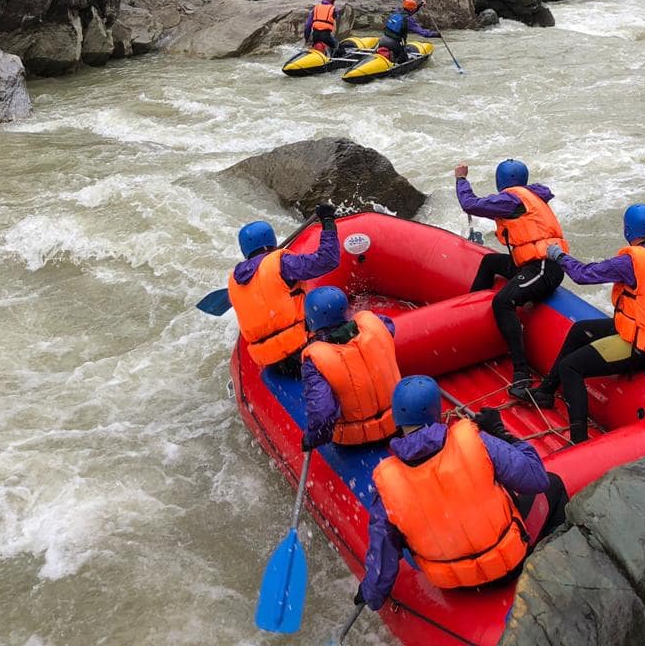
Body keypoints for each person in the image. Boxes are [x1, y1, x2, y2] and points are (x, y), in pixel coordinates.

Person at [356, 376, 568, 611]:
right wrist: (500, 432)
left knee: (399, 531)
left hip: (453, 584)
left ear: (396, 418)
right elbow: (536, 479)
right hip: (508, 567)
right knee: (554, 483)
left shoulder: (387, 483)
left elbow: (383, 549)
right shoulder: (475, 440)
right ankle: (563, 564)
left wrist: (370, 594)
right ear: (437, 412)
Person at [523, 204, 645, 445]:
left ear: (629, 230)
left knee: (571, 367)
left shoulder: (630, 262)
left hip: (642, 347)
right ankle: (545, 392)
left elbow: (583, 275)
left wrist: (559, 256)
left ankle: (579, 441)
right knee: (580, 330)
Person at [455, 159, 568, 398]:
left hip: (544, 268)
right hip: (529, 263)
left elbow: (469, 204)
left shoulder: (511, 200)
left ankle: (521, 372)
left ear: (501, 181)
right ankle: (469, 317)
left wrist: (461, 179)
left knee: (503, 301)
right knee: (490, 262)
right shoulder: (532, 195)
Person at [228, 203, 341, 376]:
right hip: (301, 350)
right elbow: (327, 260)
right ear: (272, 239)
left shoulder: (234, 281)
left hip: (271, 361)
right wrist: (327, 220)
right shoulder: (282, 263)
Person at [299, 286, 402, 450]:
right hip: (399, 419)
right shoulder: (375, 323)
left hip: (356, 440)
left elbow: (323, 414)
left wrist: (311, 440)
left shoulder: (314, 360)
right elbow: (389, 327)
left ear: (311, 321)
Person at [380, 0, 438, 64]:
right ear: (411, 9)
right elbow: (424, 33)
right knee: (403, 60)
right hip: (395, 44)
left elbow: (409, 12)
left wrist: (420, 5)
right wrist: (437, 34)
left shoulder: (396, 12)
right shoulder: (408, 20)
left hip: (383, 40)